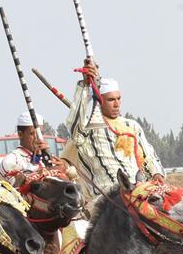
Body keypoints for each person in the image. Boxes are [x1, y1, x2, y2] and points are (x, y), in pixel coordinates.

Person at [64, 59, 163, 201]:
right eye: (111, 100)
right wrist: (85, 86)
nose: (116, 104)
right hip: (108, 197)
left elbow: (149, 156)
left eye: (118, 98)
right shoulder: (88, 128)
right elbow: (74, 123)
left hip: (139, 190)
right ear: (99, 100)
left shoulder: (132, 125)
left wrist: (156, 174)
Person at [0, 111, 50, 183]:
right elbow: (14, 189)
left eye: (40, 133)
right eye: (32, 134)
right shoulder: (12, 160)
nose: (37, 138)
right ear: (20, 134)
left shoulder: (46, 158)